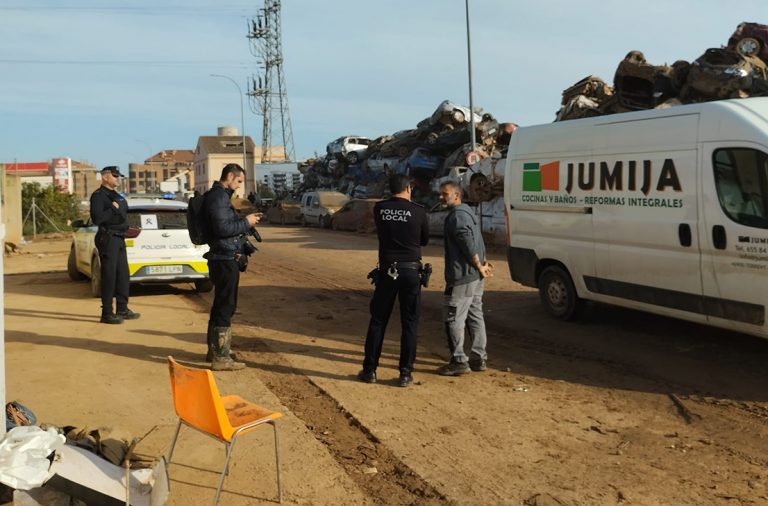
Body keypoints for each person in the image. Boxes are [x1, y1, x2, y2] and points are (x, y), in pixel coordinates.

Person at [358, 174, 429, 387]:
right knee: (409, 323)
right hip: (411, 272)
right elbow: (423, 240)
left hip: (388, 271)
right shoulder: (419, 211)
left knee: (378, 320)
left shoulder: (380, 209)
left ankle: (370, 371)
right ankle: (405, 374)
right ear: (408, 188)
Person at [204, 163, 261, 371]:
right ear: (229, 176)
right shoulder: (218, 197)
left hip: (223, 257)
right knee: (226, 306)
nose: (238, 186)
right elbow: (222, 228)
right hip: (224, 258)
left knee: (221, 305)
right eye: (238, 181)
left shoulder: (218, 197)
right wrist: (246, 222)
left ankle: (216, 351)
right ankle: (220, 357)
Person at [436, 180, 492, 376]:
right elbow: (478, 240)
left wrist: (478, 264)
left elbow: (468, 243)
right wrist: (483, 266)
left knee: (453, 318)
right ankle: (478, 358)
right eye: (440, 194)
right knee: (475, 314)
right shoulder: (468, 212)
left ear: (457, 195)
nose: (441, 197)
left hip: (463, 276)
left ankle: (459, 360)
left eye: (445, 194)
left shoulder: (457, 217)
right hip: (475, 277)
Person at [90, 166, 140, 324]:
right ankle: (106, 312)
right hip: (108, 238)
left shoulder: (117, 195)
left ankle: (122, 309)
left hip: (120, 237)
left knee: (123, 274)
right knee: (109, 275)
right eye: (115, 176)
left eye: (118, 176)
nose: (118, 179)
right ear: (105, 177)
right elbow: (97, 219)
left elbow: (124, 214)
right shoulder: (98, 196)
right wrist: (112, 208)